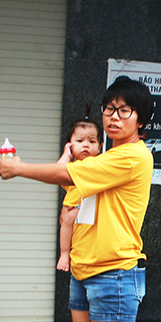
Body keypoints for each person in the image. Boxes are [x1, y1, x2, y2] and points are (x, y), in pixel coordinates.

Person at [0, 77, 160, 322]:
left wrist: (19, 168)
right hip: (83, 269)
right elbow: (73, 195)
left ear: (141, 120)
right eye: (109, 109)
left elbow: (67, 177)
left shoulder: (132, 157)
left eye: (125, 111)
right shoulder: (102, 159)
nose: (114, 116)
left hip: (114, 273)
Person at [57, 116, 103, 273]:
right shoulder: (71, 166)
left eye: (92, 142)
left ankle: (65, 254)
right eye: (79, 141)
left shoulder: (98, 164)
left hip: (85, 207)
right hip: (70, 208)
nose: (85, 145)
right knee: (66, 222)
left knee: (68, 219)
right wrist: (66, 154)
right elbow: (57, 172)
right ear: (70, 144)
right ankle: (64, 253)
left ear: (100, 146)